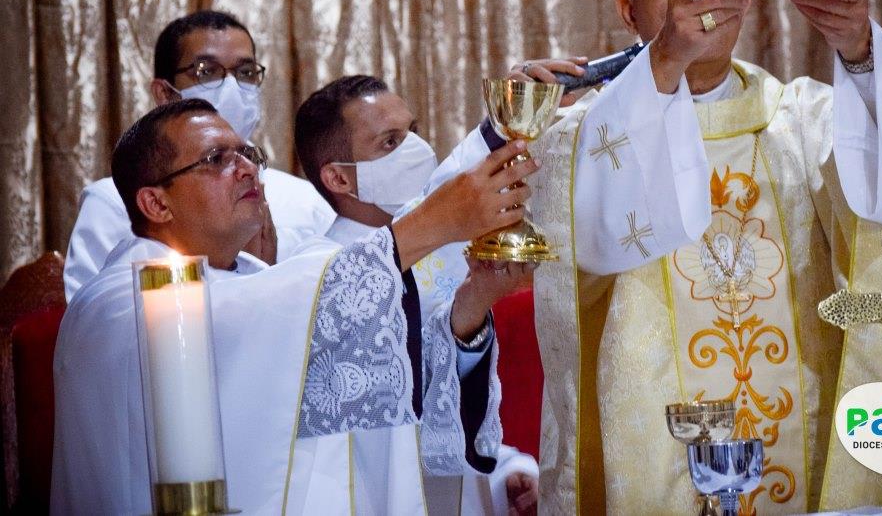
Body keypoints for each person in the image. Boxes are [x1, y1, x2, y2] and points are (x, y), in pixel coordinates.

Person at [429, 0, 882, 514]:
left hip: (801, 444)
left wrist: (861, 52)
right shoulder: (580, 135)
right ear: (629, 11)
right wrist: (663, 61)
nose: (696, 3)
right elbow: (455, 235)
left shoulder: (805, 120)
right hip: (650, 454)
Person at [51, 99, 538, 514]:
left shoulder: (260, 283)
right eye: (216, 159)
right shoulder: (115, 307)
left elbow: (383, 410)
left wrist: (470, 304)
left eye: (247, 153)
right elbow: (250, 314)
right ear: (157, 204)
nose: (247, 168)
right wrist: (432, 222)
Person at [294, 75, 540, 515]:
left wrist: (506, 468)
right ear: (339, 177)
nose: (416, 149)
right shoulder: (322, 275)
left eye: (413, 131)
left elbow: (443, 400)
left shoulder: (446, 247)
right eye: (390, 142)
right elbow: (378, 422)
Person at [62, 10, 335, 300]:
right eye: (207, 71)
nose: (231, 87)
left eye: (245, 72)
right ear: (165, 93)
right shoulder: (114, 202)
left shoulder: (309, 201)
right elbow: (98, 311)